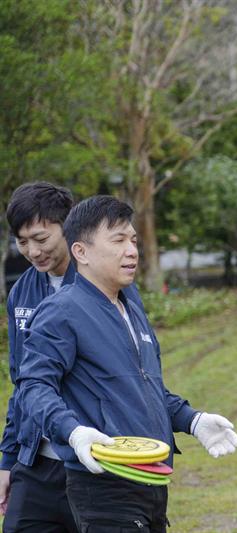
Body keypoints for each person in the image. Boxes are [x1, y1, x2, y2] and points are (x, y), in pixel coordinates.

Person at [16, 195, 237, 532]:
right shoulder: (61, 311)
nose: (132, 250)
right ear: (81, 252)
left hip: (150, 479)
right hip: (104, 487)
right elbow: (33, 386)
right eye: (118, 240)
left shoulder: (130, 308)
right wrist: (74, 432)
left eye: (133, 240)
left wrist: (194, 421)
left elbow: (144, 388)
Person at [1, 182, 103, 532]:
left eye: (41, 239)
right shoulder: (21, 293)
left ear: (68, 228)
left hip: (93, 461)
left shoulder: (102, 284)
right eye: (22, 241)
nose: (32, 251)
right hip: (37, 461)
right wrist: (7, 460)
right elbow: (22, 382)